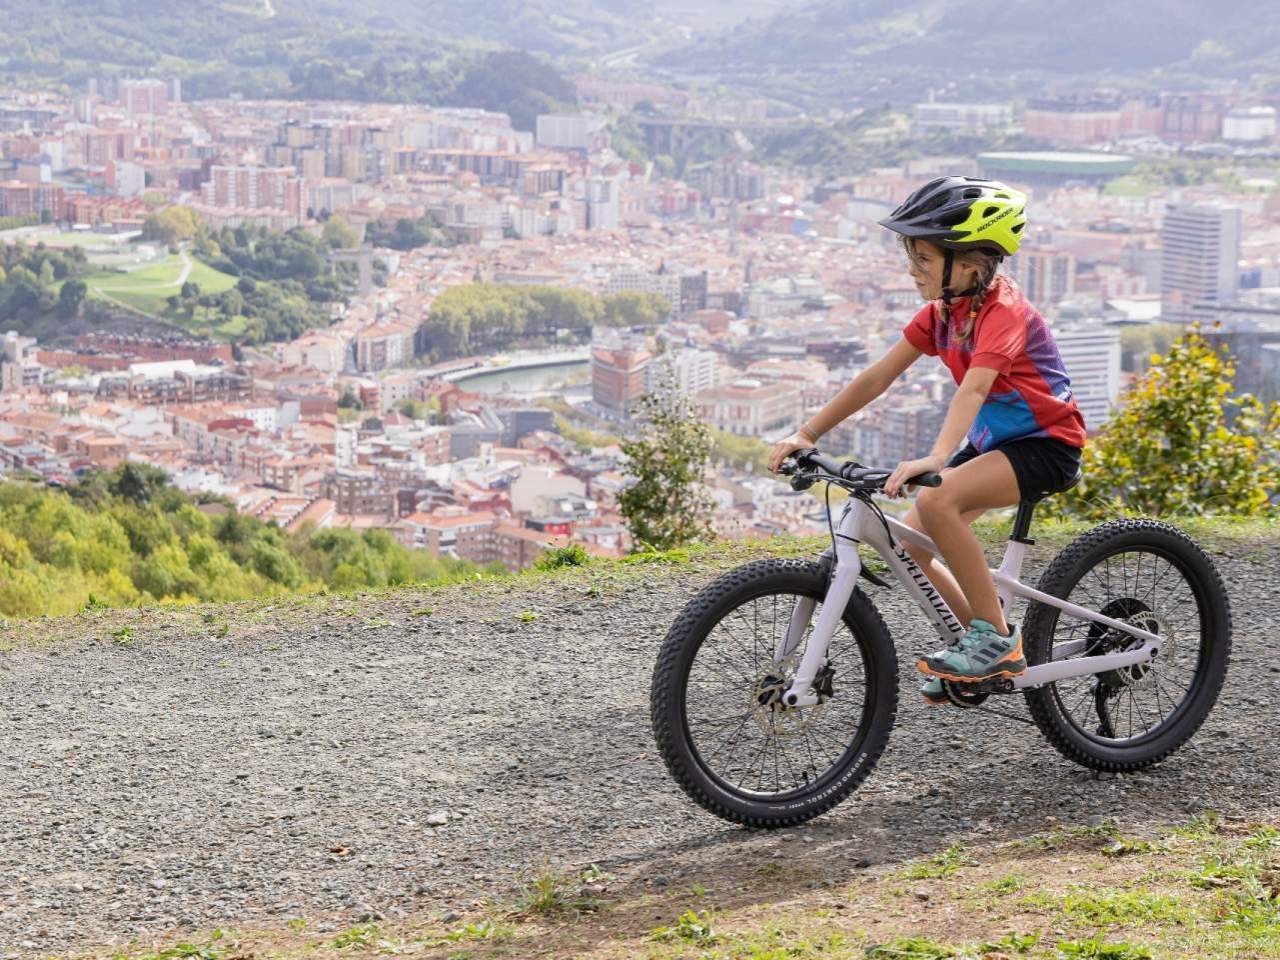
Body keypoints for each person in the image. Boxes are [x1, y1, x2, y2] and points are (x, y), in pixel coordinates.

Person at [767, 176, 1087, 706]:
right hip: (995, 444)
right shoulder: (944, 313)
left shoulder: (1004, 313)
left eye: (921, 257)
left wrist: (938, 457)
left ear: (968, 263)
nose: (911, 269)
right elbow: (877, 376)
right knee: (911, 546)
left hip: (1046, 443)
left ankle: (994, 642)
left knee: (938, 497)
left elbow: (977, 386)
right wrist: (808, 432)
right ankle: (987, 646)